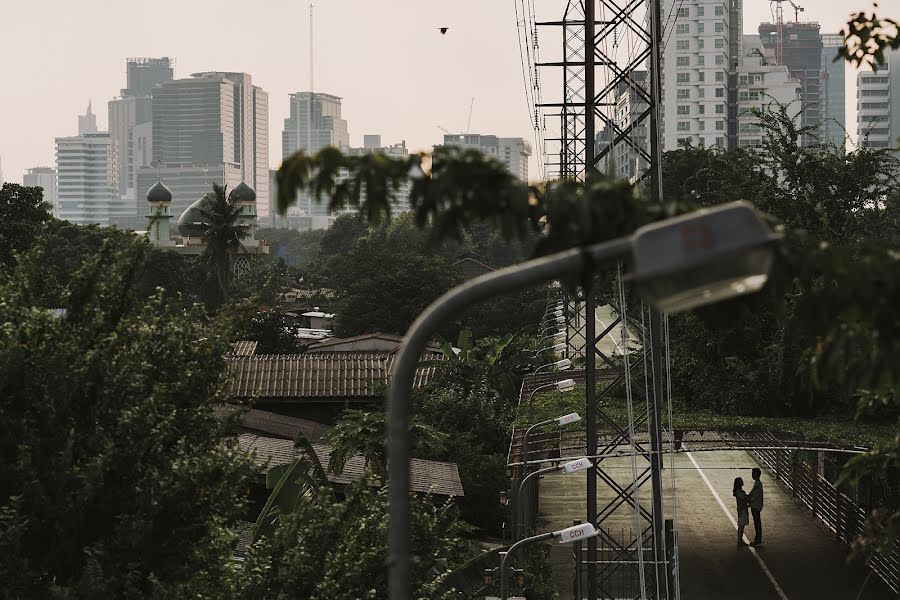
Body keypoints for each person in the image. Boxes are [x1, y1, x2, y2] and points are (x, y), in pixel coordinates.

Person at [748, 467, 764, 545]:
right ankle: (758, 539)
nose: (752, 475)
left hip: (756, 506)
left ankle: (758, 539)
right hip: (755, 505)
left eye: (753, 474)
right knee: (757, 522)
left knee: (757, 522)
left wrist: (749, 500)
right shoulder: (757, 483)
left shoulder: (758, 484)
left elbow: (755, 495)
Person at [733, 477, 749, 547]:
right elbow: (745, 498)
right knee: (741, 526)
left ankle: (740, 540)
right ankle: (739, 541)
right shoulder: (739, 492)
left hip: (742, 509)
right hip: (742, 509)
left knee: (741, 525)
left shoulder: (739, 491)